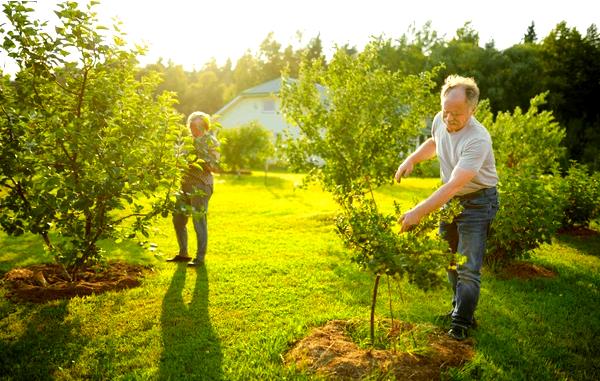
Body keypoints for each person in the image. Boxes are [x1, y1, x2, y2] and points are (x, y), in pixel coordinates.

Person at [394, 75, 499, 341]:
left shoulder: (478, 139)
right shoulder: (441, 120)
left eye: (457, 114)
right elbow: (434, 141)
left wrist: (418, 211)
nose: (449, 118)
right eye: (445, 111)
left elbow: (452, 186)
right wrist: (412, 159)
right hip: (451, 201)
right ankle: (459, 311)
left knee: (467, 266)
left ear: (472, 110)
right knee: (449, 259)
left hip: (478, 201)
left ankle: (461, 324)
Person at [167, 111, 220, 267]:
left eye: (196, 125)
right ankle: (183, 253)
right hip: (184, 185)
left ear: (204, 126)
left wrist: (198, 160)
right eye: (191, 125)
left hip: (201, 186)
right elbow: (178, 160)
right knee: (178, 219)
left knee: (199, 221)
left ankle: (200, 258)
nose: (193, 128)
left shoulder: (211, 142)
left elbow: (214, 167)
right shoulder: (187, 141)